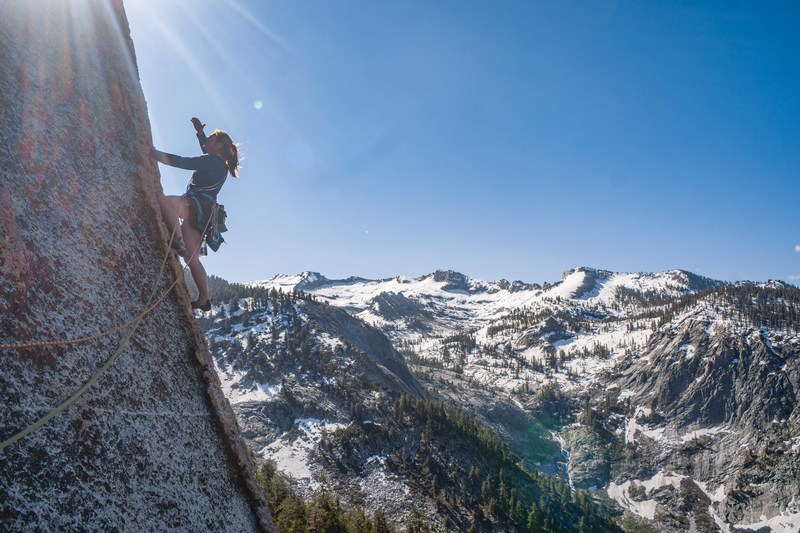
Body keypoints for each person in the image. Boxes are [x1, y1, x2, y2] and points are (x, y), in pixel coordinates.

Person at [151, 117, 239, 312]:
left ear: (217, 146)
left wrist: (151, 153)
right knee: (192, 259)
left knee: (165, 202)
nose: (206, 141)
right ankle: (204, 300)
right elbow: (205, 150)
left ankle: (178, 241)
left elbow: (183, 162)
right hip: (205, 213)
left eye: (210, 139)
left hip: (197, 206)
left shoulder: (212, 161)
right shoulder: (218, 163)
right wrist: (200, 134)